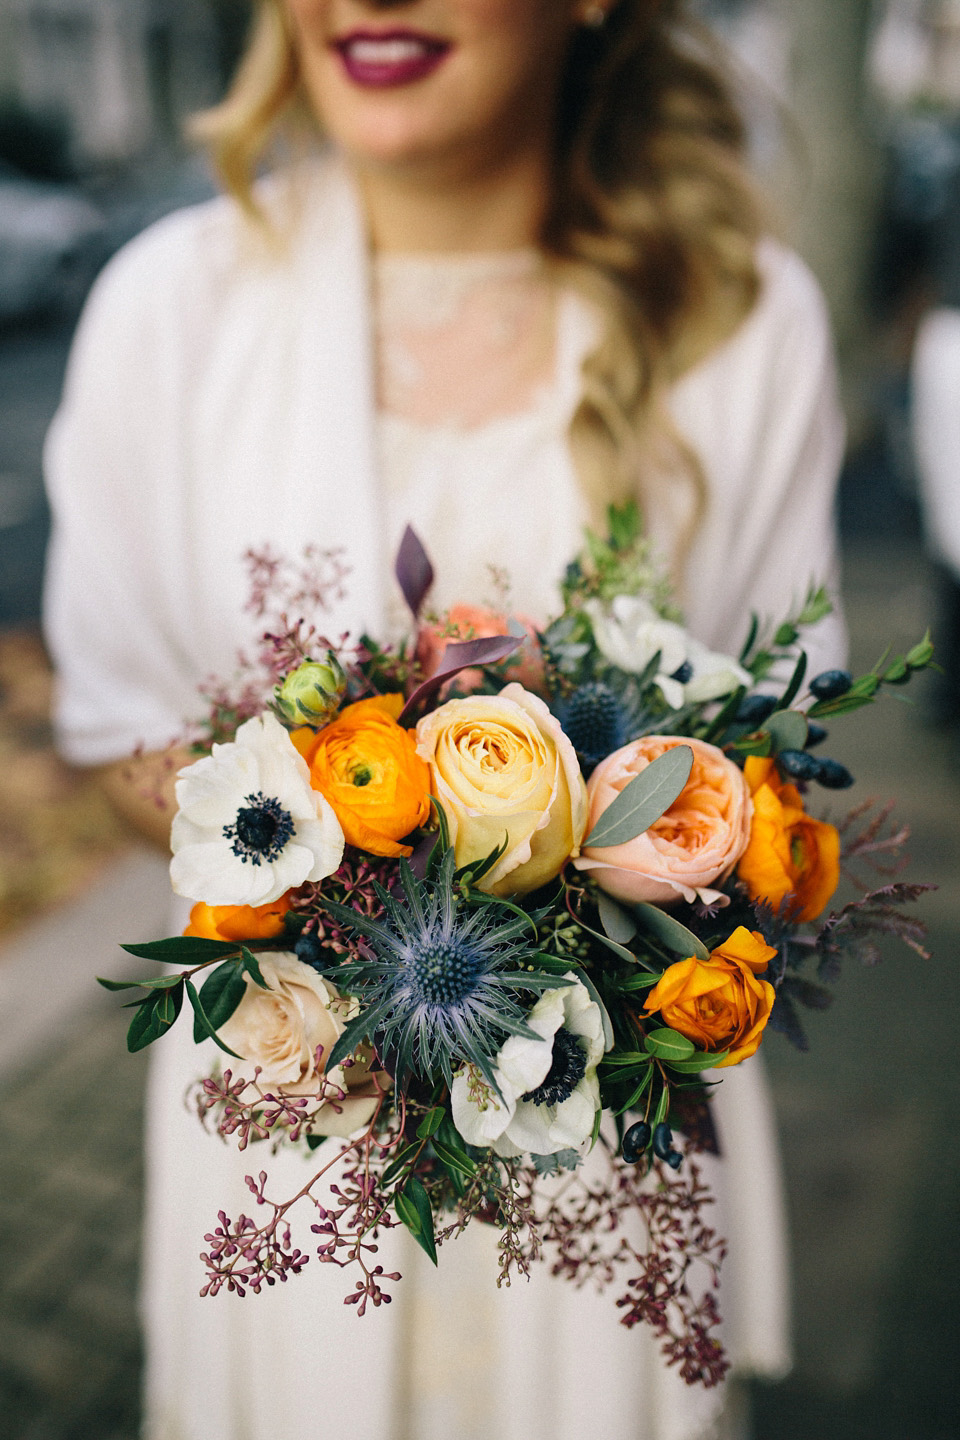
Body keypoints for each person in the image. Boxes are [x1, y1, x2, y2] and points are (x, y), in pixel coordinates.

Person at [43, 2, 846, 1438]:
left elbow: (771, 760)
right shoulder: (169, 307)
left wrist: (581, 901)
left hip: (605, 1165)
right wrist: (341, 901)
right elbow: (119, 724)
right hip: (294, 1120)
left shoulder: (740, 318)